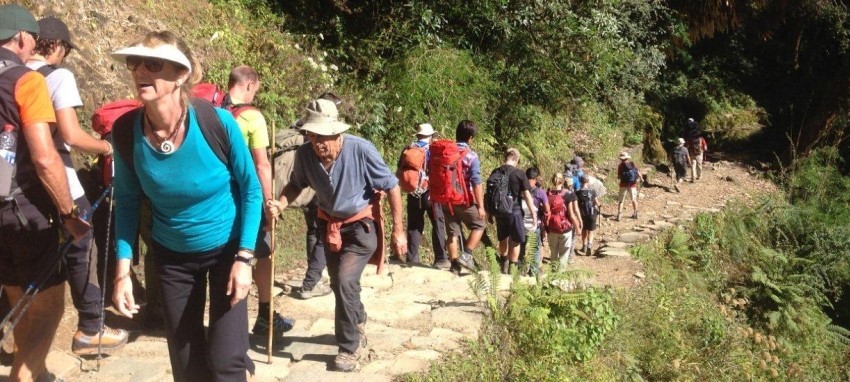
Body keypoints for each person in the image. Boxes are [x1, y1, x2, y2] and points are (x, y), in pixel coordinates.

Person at [110, 31, 262, 381]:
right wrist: (122, 272)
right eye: (135, 63)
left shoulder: (217, 124)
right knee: (188, 368)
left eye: (153, 64)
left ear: (181, 75)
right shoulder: (124, 132)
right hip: (172, 258)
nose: (139, 72)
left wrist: (244, 258)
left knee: (226, 363)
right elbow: (128, 203)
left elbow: (251, 189)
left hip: (227, 251)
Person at [267, 99, 407, 372]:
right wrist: (281, 203)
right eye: (314, 136)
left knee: (344, 282)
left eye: (326, 137)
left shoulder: (361, 149)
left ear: (338, 134)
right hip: (328, 228)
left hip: (360, 228)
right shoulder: (305, 154)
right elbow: (296, 184)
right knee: (340, 285)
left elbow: (392, 186)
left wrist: (398, 231)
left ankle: (348, 347)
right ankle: (359, 316)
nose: (320, 144)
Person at [25, 15, 129, 355]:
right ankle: (90, 328)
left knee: (29, 255)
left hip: (18, 184)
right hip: (59, 177)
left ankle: (17, 329)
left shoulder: (12, 74)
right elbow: (70, 134)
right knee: (82, 245)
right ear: (54, 45)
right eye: (66, 49)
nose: (65, 57)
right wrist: (105, 147)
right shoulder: (58, 76)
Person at [0, 4, 91, 381]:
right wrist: (68, 211)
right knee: (50, 301)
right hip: (22, 210)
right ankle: (25, 375)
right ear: (21, 38)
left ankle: (32, 370)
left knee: (19, 296)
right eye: (32, 40)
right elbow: (44, 157)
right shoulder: (26, 80)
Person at [224, 64, 295, 338]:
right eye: (256, 90)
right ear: (250, 85)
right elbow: (262, 165)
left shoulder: (213, 111)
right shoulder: (252, 117)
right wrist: (269, 204)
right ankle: (264, 315)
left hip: (218, 200)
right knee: (263, 251)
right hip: (246, 198)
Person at [434, 120, 486, 275]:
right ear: (470, 138)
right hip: (463, 200)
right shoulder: (471, 156)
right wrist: (481, 206)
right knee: (480, 224)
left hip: (446, 199)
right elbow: (476, 182)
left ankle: (454, 266)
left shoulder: (445, 153)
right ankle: (467, 255)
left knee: (452, 232)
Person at [396, 123, 449, 269]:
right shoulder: (432, 150)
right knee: (437, 223)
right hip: (430, 191)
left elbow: (399, 169)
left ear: (418, 135)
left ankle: (412, 258)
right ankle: (441, 258)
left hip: (413, 192)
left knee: (414, 224)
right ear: (431, 136)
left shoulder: (407, 149)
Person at [489, 148, 536, 274]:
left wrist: (489, 212)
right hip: (514, 211)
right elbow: (527, 196)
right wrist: (533, 213)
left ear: (505, 157)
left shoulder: (496, 171)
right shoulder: (519, 173)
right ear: (517, 159)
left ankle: (503, 264)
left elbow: (489, 193)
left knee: (503, 238)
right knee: (515, 241)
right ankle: (512, 270)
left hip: (499, 211)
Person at [546, 173, 581, 270]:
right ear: (563, 181)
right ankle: (561, 274)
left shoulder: (547, 193)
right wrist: (578, 228)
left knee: (553, 251)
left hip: (551, 227)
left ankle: (553, 273)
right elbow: (571, 215)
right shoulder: (567, 194)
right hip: (565, 228)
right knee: (564, 253)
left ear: (552, 180)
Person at [519, 166, 548, 276]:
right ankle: (534, 271)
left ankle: (520, 269)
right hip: (535, 224)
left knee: (521, 246)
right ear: (536, 179)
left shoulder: (520, 190)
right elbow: (547, 209)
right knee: (535, 248)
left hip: (521, 223)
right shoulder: (540, 192)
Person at [575, 175, 601, 255]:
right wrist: (599, 205)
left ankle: (584, 247)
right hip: (592, 213)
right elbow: (598, 203)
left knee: (584, 230)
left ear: (580, 182)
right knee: (591, 230)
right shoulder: (592, 191)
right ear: (588, 182)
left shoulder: (578, 192)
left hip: (582, 213)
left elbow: (576, 204)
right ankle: (590, 245)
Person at [616, 151, 641, 220]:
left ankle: (619, 215)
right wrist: (641, 178)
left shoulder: (620, 166)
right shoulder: (633, 164)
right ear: (627, 158)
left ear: (621, 159)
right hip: (632, 185)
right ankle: (635, 213)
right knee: (634, 199)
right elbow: (638, 172)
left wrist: (621, 177)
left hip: (623, 184)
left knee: (621, 201)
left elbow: (619, 176)